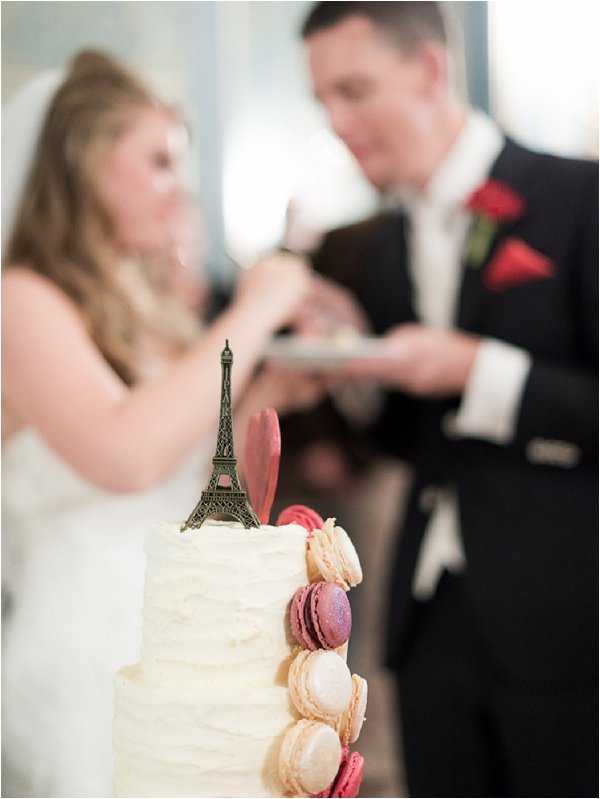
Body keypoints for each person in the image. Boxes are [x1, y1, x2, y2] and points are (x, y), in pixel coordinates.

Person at [1, 50, 321, 797]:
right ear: (83, 164)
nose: (179, 191)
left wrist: (268, 390)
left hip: (190, 632)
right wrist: (257, 307)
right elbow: (125, 455)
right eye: (158, 162)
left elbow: (192, 469)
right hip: (90, 649)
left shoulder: (143, 302)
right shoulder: (21, 298)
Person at [298, 3, 598, 796]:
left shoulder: (579, 198)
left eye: (354, 90)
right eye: (322, 100)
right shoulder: (382, 244)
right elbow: (411, 435)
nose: (336, 121)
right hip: (431, 617)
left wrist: (478, 370)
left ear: (430, 70)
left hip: (570, 620)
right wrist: (353, 369)